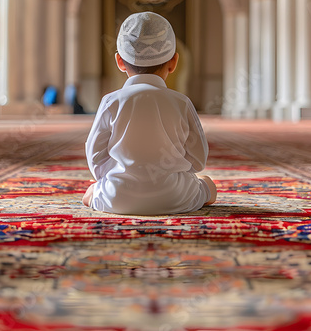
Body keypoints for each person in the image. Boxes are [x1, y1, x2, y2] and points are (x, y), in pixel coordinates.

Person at [83, 11, 217, 215]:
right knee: (208, 185)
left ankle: (103, 192)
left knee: (91, 192)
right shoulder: (182, 103)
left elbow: (95, 157)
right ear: (173, 62)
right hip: (175, 197)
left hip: (119, 198)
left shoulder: (110, 102)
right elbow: (198, 160)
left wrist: (111, 177)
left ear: (119, 61)